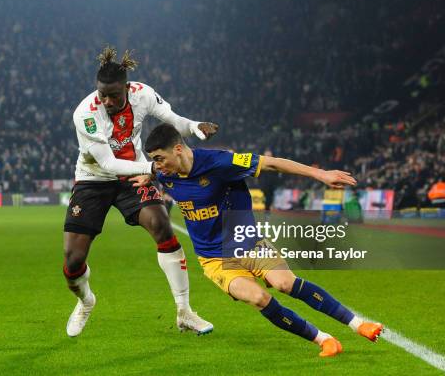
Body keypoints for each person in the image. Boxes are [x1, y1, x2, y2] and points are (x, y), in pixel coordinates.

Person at [141, 123, 383, 357]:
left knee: (285, 284)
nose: (157, 165)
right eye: (153, 160)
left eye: (159, 158)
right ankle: (324, 339)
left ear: (178, 149)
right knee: (258, 298)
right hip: (213, 258)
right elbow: (145, 170)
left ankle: (358, 324)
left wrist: (319, 174)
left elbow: (273, 164)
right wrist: (145, 175)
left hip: (249, 243)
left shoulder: (220, 162)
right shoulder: (164, 173)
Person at [63, 47, 218, 337]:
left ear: (127, 88)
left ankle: (185, 311)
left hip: (133, 174)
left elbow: (171, 118)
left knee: (161, 226)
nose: (107, 101)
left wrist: (194, 125)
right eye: (102, 95)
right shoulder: (85, 113)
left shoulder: (142, 94)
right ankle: (85, 301)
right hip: (93, 180)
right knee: (72, 262)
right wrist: (152, 168)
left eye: (114, 95)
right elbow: (107, 162)